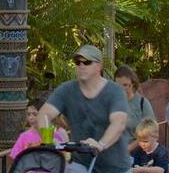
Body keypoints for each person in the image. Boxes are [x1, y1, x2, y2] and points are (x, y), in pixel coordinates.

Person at [40, 45, 131, 173]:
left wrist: (101, 145)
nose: (81, 66)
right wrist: (48, 138)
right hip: (81, 164)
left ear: (99, 66)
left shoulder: (115, 91)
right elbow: (44, 114)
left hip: (115, 167)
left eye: (87, 62)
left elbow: (119, 123)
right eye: (78, 62)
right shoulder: (66, 90)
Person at [117, 65, 158, 138]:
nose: (121, 89)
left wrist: (130, 148)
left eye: (125, 85)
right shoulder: (112, 102)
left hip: (138, 146)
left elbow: (151, 131)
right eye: (117, 85)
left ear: (133, 84)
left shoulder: (142, 103)